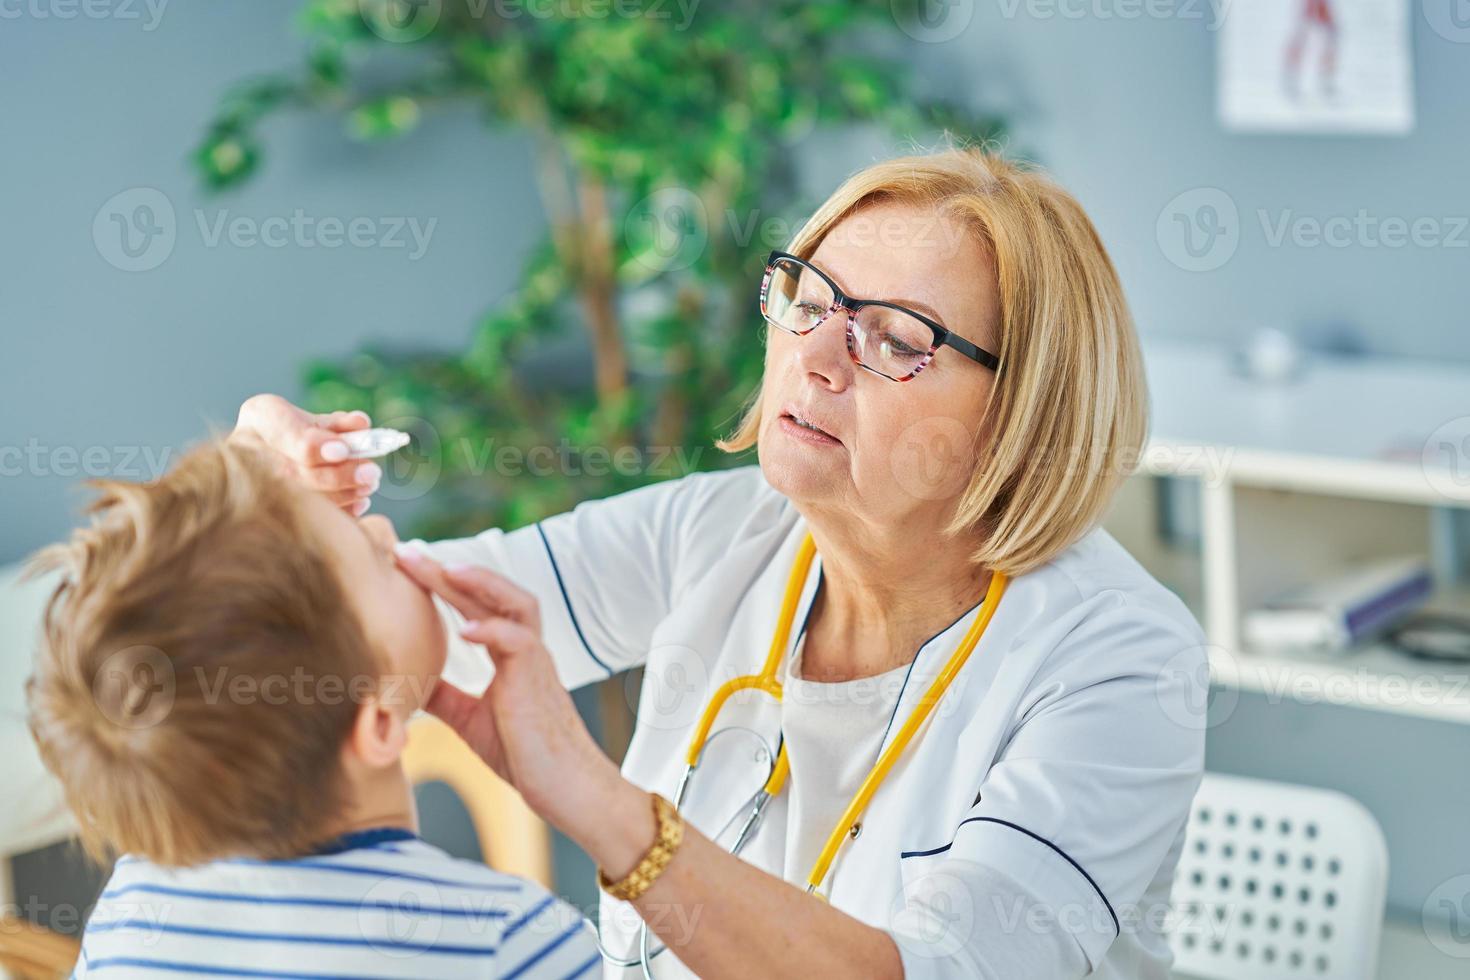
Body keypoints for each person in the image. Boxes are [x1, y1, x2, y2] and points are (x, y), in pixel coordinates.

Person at [233, 145, 1209, 979]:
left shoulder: (1119, 656)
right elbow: (354, 636)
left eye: (896, 339)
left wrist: (600, 803)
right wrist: (264, 510)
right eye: (809, 298)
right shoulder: (719, 530)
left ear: (1024, 416)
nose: (817, 355)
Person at [26, 438, 599, 978]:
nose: (381, 527)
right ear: (375, 724)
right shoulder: (509, 939)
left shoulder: (133, 908)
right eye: (376, 556)